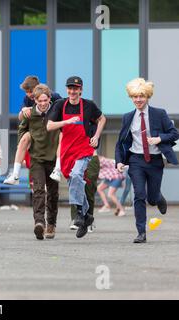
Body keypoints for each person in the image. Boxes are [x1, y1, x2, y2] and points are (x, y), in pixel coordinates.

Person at [115, 78, 179, 243]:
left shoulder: (159, 113)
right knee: (139, 195)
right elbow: (121, 141)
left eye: (141, 96)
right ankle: (141, 232)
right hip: (136, 160)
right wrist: (119, 161)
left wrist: (159, 139)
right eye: (135, 97)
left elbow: (174, 133)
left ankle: (158, 197)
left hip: (156, 160)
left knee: (151, 197)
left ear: (147, 96)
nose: (138, 100)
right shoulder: (128, 117)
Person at [47, 76, 106, 239]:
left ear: (80, 90)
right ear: (67, 90)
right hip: (67, 150)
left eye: (76, 88)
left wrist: (96, 136)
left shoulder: (88, 105)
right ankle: (87, 217)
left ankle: (79, 213)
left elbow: (102, 119)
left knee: (76, 175)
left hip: (84, 148)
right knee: (75, 182)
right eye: (70, 88)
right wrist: (66, 122)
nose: (72, 91)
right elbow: (49, 125)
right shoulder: (60, 105)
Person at [4, 76, 62, 185]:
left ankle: (58, 169)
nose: (29, 94)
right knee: (25, 138)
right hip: (37, 131)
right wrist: (24, 109)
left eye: (30, 91)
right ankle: (15, 175)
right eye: (27, 92)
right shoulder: (28, 99)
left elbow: (64, 110)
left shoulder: (54, 96)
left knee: (61, 136)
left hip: (52, 131)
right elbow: (21, 117)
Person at [22, 84, 60, 240]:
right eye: (40, 101)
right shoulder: (29, 114)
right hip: (36, 158)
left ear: (49, 99)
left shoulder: (56, 111)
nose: (43, 103)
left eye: (45, 100)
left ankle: (51, 223)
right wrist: (24, 145)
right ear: (35, 101)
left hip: (53, 158)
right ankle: (39, 223)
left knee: (53, 193)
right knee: (38, 191)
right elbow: (22, 131)